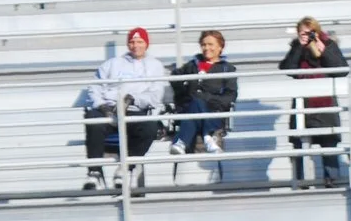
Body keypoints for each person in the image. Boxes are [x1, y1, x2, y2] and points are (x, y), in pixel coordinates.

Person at [82, 27, 169, 191]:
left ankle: (126, 167)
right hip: (109, 109)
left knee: (150, 128)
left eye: (140, 42)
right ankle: (94, 172)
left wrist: (133, 99)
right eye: (132, 42)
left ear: (146, 44)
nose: (136, 46)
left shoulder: (155, 66)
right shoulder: (113, 63)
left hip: (134, 109)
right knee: (93, 120)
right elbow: (94, 87)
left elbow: (155, 96)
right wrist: (101, 105)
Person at [280, 17, 348, 187]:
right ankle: (302, 182)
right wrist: (299, 47)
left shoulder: (329, 45)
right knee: (300, 144)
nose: (307, 36)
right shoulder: (297, 48)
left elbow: (341, 70)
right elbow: (288, 69)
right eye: (303, 33)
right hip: (303, 104)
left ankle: (332, 180)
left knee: (329, 143)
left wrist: (324, 50)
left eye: (310, 32)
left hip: (326, 105)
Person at [169, 30, 237, 159]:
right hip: (190, 110)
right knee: (195, 103)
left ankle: (181, 142)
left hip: (214, 112)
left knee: (197, 102)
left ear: (220, 47)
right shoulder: (192, 65)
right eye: (204, 45)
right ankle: (208, 137)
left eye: (211, 44)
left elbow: (230, 97)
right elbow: (175, 78)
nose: (206, 48)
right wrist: (185, 93)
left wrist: (206, 98)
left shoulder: (227, 69)